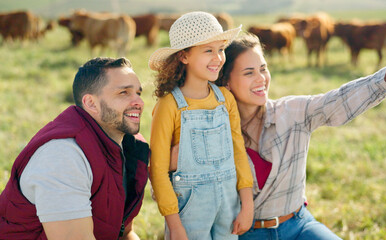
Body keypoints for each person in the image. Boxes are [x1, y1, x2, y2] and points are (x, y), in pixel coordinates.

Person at [214, 33, 386, 239]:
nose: (261, 78)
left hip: (298, 225)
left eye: (263, 68)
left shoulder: (291, 111)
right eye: (249, 72)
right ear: (226, 82)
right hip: (246, 234)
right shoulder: (214, 131)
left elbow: (339, 100)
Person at [0, 57, 150, 240]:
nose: (139, 103)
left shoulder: (127, 148)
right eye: (124, 93)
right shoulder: (63, 156)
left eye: (138, 93)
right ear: (91, 103)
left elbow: (125, 233)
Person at [148, 12, 254, 240]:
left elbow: (238, 152)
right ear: (184, 56)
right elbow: (157, 170)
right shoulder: (169, 106)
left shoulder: (225, 98)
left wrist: (247, 204)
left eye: (221, 49)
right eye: (208, 50)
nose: (218, 58)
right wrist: (174, 225)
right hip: (189, 211)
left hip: (229, 205)